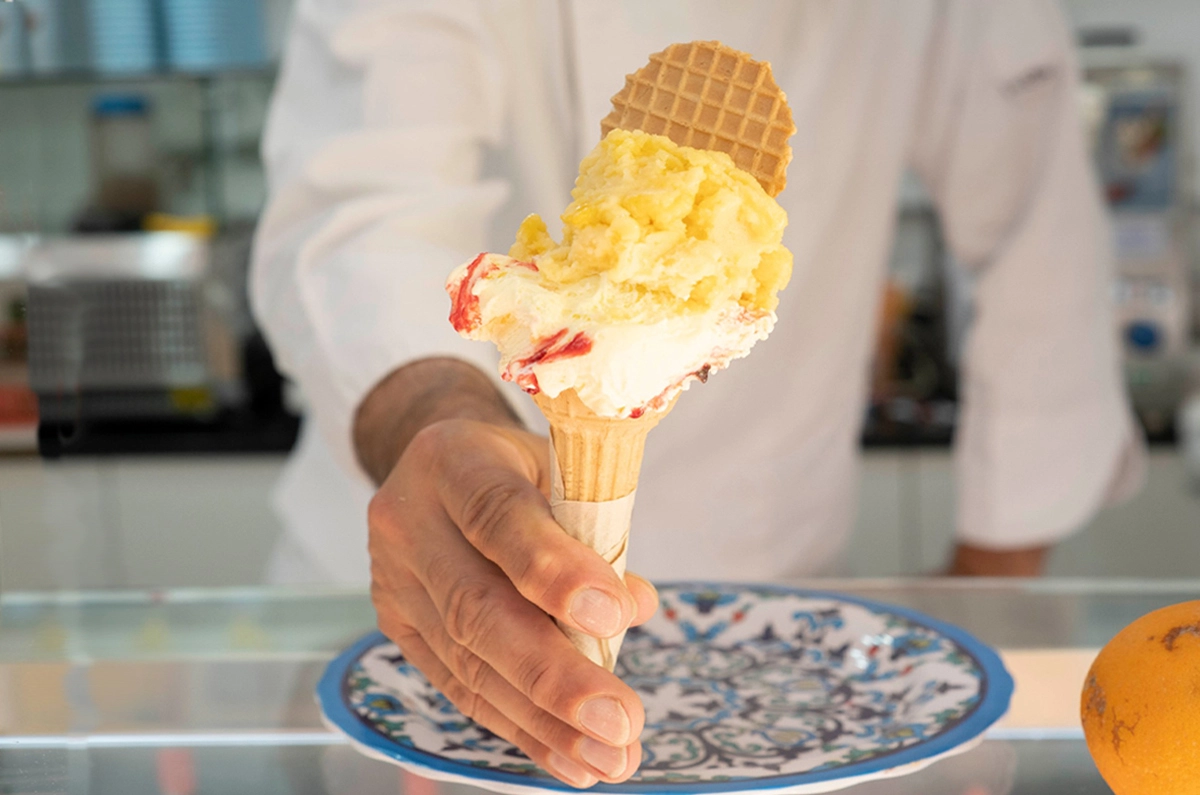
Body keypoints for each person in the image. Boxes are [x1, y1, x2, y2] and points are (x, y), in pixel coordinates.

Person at [251, 0, 1144, 785]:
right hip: (416, 608)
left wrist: (982, 604)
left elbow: (1042, 244)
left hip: (775, 628)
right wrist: (443, 422)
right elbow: (360, 212)